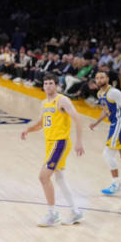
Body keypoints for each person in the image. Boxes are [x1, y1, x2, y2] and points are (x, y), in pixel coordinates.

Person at [21, 73, 85, 226]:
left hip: (60, 143)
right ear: (43, 86)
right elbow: (40, 124)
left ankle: (52, 213)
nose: (48, 85)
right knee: (60, 179)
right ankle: (76, 211)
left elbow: (77, 118)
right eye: (46, 83)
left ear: (56, 85)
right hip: (50, 144)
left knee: (43, 177)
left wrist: (79, 141)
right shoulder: (44, 103)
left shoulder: (62, 100)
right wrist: (28, 130)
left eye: (51, 83)